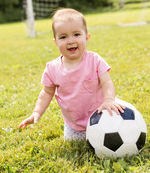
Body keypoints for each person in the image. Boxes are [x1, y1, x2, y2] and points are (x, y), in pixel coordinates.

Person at [19, 8, 124, 140]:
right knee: (77, 144)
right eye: (63, 37)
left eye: (76, 34)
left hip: (102, 115)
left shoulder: (94, 60)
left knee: (107, 141)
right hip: (74, 125)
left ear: (87, 38)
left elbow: (106, 82)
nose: (70, 41)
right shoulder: (52, 68)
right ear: (55, 42)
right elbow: (46, 92)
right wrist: (36, 112)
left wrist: (109, 100)